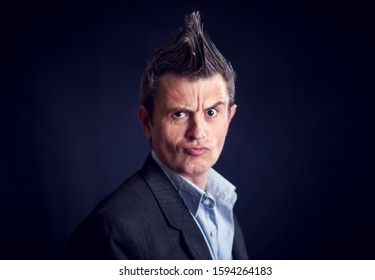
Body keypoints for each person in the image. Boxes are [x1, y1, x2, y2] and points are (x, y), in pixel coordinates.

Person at [65, 11, 248, 260]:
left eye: (211, 112)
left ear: (229, 118)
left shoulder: (222, 207)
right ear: (147, 122)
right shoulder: (112, 230)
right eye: (180, 114)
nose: (198, 132)